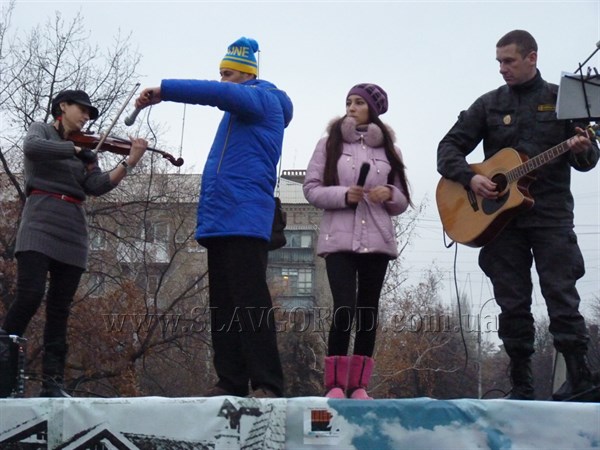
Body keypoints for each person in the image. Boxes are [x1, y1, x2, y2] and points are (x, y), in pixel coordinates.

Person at [437, 30, 600, 401]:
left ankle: (580, 378)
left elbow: (587, 162)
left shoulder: (563, 100)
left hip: (551, 216)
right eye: (499, 62)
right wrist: (472, 178)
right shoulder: (489, 104)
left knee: (561, 294)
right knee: (511, 302)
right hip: (500, 224)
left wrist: (583, 147)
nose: (502, 69)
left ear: (532, 58)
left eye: (509, 61)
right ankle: (521, 386)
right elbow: (447, 149)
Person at [134, 37, 293, 398]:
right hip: (222, 219)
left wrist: (164, 90)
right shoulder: (238, 116)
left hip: (245, 217)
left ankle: (267, 382)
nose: (222, 80)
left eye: (229, 73)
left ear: (249, 75)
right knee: (222, 305)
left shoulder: (264, 100)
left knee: (249, 301)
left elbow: (220, 95)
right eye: (219, 73)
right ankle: (231, 382)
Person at [1, 89, 148, 397]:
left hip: (72, 230)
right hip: (40, 221)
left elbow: (96, 186)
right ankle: (2, 370)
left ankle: (52, 384)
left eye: (89, 114)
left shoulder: (87, 152)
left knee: (60, 309)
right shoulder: (44, 132)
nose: (86, 117)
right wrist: (74, 150)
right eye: (81, 110)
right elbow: (32, 148)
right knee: (29, 295)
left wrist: (129, 162)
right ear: (62, 106)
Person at [303, 83, 411, 399]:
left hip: (377, 239)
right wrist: (342, 195)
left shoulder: (391, 150)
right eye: (348, 101)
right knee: (344, 308)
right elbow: (311, 189)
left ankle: (359, 385)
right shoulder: (329, 144)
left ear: (373, 109)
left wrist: (388, 194)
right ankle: (334, 384)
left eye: (359, 102)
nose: (351, 107)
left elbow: (403, 199)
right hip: (339, 240)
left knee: (368, 312)